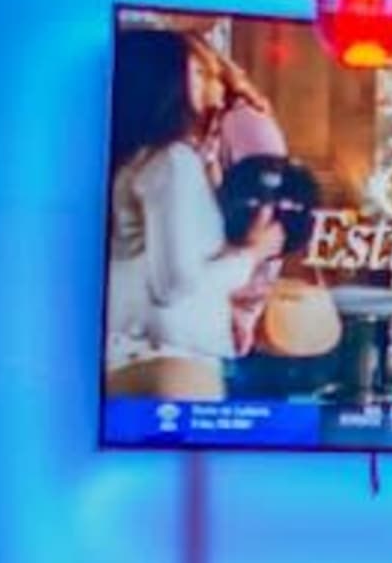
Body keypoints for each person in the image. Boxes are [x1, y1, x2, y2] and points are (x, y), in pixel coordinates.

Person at [103, 26, 287, 404]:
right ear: (167, 81)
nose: (209, 85)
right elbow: (174, 284)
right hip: (174, 362)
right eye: (197, 73)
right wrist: (253, 252)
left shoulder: (128, 162)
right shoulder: (173, 160)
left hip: (128, 355)